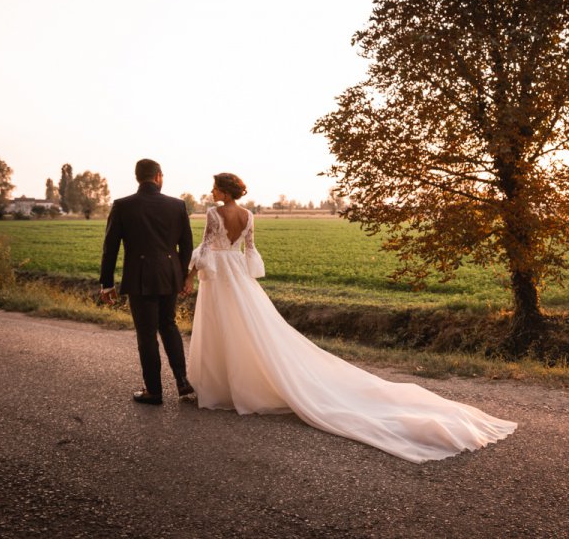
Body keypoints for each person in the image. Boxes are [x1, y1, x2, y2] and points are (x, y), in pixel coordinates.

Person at [182, 172, 516, 463]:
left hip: (220, 276)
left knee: (222, 327)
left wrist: (189, 271)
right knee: (250, 327)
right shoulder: (249, 215)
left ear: (224, 191)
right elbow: (249, 250)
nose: (212, 193)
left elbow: (208, 247)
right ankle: (240, 382)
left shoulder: (214, 213)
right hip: (239, 273)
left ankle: (224, 387)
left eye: (215, 188)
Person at [99, 159, 195, 405]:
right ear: (159, 176)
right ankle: (183, 382)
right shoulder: (177, 205)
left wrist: (106, 283)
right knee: (169, 326)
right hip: (169, 274)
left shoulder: (122, 206)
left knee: (146, 334)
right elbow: (187, 245)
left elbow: (110, 247)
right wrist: (183, 275)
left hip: (140, 276)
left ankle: (154, 391)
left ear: (137, 178)